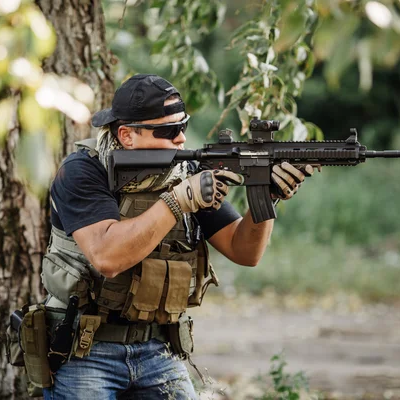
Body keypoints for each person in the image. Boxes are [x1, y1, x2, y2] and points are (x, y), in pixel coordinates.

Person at [41, 74, 312, 399]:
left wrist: (266, 196)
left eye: (182, 126)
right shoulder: (83, 171)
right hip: (86, 348)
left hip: (157, 347)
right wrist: (177, 201)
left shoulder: (186, 171)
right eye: (167, 131)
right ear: (126, 135)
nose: (181, 139)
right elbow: (107, 258)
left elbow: (245, 252)